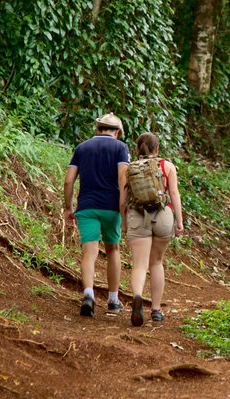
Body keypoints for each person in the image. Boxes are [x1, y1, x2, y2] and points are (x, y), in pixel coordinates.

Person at [63, 113, 130, 317]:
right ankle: (113, 300)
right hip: (111, 207)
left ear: (98, 129)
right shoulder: (120, 148)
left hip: (87, 207)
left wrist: (68, 208)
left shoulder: (81, 148)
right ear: (116, 132)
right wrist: (122, 207)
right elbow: (122, 178)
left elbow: (68, 181)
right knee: (113, 250)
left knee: (89, 251)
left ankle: (89, 294)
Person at [126, 132, 184, 326]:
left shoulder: (129, 168)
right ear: (157, 148)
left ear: (137, 149)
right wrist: (179, 221)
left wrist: (123, 221)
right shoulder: (167, 166)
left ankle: (137, 296)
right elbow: (174, 193)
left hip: (137, 215)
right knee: (157, 262)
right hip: (163, 216)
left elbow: (122, 199)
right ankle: (156, 310)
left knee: (139, 264)